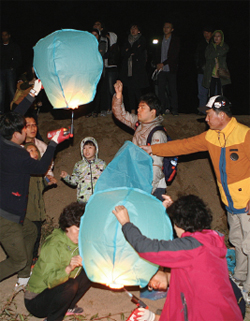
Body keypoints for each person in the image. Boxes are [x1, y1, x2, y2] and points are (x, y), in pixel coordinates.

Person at [141, 95, 250, 304]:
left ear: (221, 114)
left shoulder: (245, 135)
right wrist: (153, 149)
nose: (206, 119)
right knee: (237, 242)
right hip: (231, 203)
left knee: (249, 244)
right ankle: (241, 277)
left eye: (208, 115)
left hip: (247, 203)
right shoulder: (212, 136)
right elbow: (183, 146)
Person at [112, 195, 243, 321]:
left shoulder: (189, 249)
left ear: (179, 225)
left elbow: (145, 247)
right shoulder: (209, 238)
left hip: (209, 315)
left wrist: (126, 223)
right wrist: (174, 209)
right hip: (227, 310)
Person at [0, 79, 70, 288]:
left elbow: (13, 116)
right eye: (23, 128)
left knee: (31, 232)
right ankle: (23, 268)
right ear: (16, 135)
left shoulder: (3, 138)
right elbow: (40, 169)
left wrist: (33, 93)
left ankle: (24, 275)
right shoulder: (17, 156)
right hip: (6, 215)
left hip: (10, 208)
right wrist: (53, 143)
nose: (27, 129)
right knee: (20, 259)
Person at [24, 202, 91, 321]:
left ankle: (68, 307)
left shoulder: (79, 240)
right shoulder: (53, 246)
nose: (81, 234)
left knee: (90, 271)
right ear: (67, 226)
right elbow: (50, 280)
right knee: (70, 285)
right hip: (36, 299)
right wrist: (69, 268)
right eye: (78, 230)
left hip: (56, 290)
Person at [112, 80, 168, 200]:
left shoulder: (157, 134)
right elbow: (120, 115)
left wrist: (147, 191)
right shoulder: (139, 124)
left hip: (153, 188)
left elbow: (156, 166)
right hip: (138, 181)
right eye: (138, 107)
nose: (138, 110)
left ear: (153, 112)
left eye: (142, 108)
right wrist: (118, 95)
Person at [24, 142, 57, 264]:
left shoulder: (38, 171)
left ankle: (33, 257)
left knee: (37, 235)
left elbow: (39, 187)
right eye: (30, 151)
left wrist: (47, 182)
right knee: (29, 236)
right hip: (28, 210)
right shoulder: (25, 171)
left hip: (38, 210)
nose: (34, 153)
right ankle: (25, 259)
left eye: (35, 150)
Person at [60, 137, 106, 202]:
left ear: (96, 150)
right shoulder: (79, 165)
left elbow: (107, 180)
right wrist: (66, 177)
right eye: (84, 148)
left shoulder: (102, 164)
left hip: (98, 199)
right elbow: (75, 181)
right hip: (83, 201)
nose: (87, 150)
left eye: (90, 147)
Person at [119, 23, 149, 113]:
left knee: (138, 90)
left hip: (138, 69)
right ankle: (132, 109)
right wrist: (130, 51)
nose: (133, 30)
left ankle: (141, 109)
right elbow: (123, 53)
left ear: (139, 30)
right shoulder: (126, 40)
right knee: (130, 90)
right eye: (132, 28)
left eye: (135, 28)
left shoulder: (142, 40)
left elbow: (138, 51)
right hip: (128, 69)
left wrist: (130, 51)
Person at [152, 21, 180, 116]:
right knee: (160, 90)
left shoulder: (175, 40)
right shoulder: (160, 39)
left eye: (168, 27)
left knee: (172, 90)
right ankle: (161, 110)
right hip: (161, 70)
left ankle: (174, 109)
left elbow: (174, 55)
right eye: (164, 27)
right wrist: (157, 64)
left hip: (170, 69)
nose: (165, 29)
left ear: (172, 29)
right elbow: (155, 53)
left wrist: (163, 63)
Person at [202, 30, 231, 97]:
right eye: (215, 36)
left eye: (218, 36)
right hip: (211, 74)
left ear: (221, 37)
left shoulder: (224, 47)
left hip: (221, 74)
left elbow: (221, 52)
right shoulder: (210, 46)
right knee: (211, 94)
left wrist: (214, 54)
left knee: (220, 94)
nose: (216, 38)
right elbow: (207, 56)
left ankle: (220, 107)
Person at [0, 29, 22, 114]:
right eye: (2, 35)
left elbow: (18, 59)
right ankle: (1, 112)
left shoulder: (14, 46)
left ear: (9, 35)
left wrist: (13, 66)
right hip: (1, 71)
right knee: (1, 92)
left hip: (10, 71)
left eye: (5, 35)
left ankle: (14, 112)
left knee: (12, 91)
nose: (4, 37)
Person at [195, 26, 213, 112]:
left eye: (208, 33)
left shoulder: (215, 44)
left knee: (214, 92)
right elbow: (197, 57)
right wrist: (199, 66)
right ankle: (202, 110)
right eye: (205, 33)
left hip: (213, 72)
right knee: (202, 92)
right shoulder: (201, 44)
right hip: (202, 72)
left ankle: (213, 111)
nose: (206, 35)